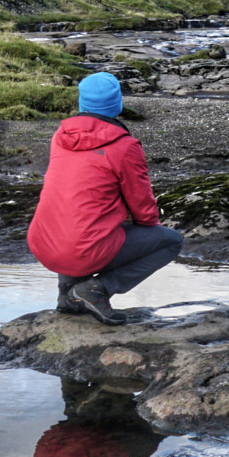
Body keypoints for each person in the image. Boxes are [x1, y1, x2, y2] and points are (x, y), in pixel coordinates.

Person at [26, 72, 181, 324]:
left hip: (42, 244)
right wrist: (148, 230)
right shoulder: (124, 146)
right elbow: (141, 204)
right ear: (117, 103)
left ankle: (67, 296)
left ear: (81, 103)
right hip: (82, 251)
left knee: (74, 214)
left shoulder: (61, 137)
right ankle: (97, 289)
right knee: (171, 242)